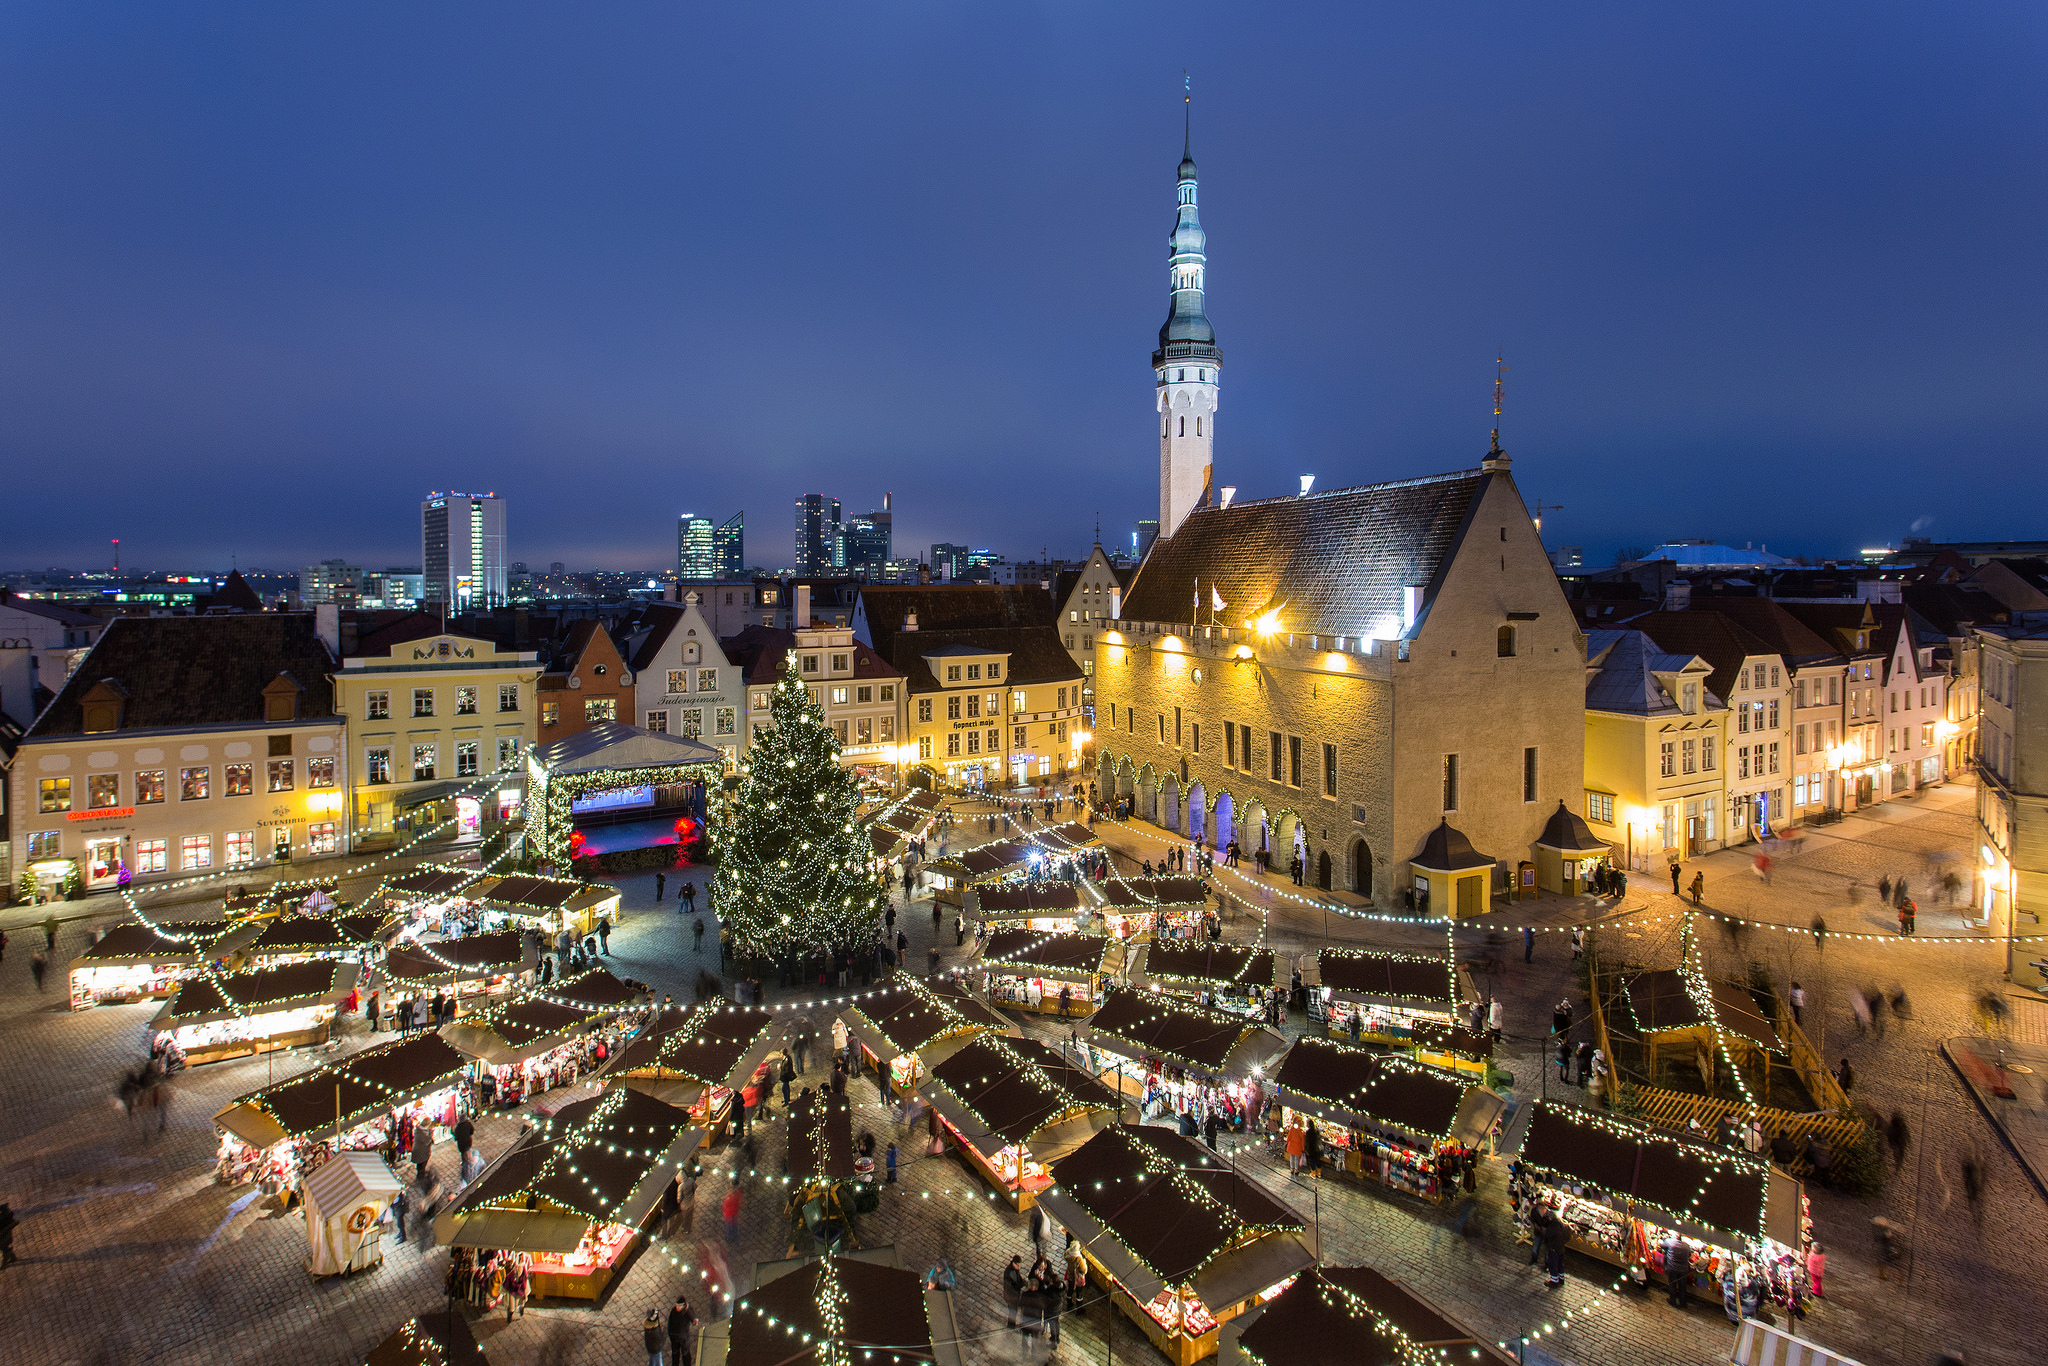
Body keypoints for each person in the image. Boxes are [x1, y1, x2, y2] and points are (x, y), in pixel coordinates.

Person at [1004, 1254, 1027, 1327]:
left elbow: (1019, 1278)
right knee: (1013, 1311)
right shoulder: (1011, 1272)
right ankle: (1011, 1325)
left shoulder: (1014, 1269)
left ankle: (1011, 1324)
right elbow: (1016, 1285)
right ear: (1013, 1263)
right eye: (1017, 1265)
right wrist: (1023, 1284)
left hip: (1013, 1294)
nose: (1019, 1267)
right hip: (1011, 1295)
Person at [0, 1203, 17, 1268]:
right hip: (6, 1236)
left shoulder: (3, 1219)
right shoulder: (8, 1217)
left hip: (3, 1237)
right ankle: (13, 1257)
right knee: (5, 1247)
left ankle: (5, 1263)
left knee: (4, 1248)